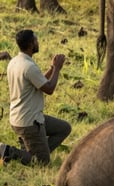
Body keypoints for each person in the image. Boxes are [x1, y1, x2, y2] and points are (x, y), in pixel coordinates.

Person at [2, 29, 71, 165]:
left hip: (21, 117)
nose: (38, 42)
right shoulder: (29, 66)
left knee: (64, 128)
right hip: (29, 122)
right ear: (30, 44)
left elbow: (39, 83)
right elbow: (49, 89)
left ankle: (34, 149)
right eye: (36, 40)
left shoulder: (16, 61)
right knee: (42, 163)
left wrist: (51, 68)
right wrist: (57, 68)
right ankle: (7, 151)